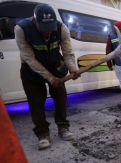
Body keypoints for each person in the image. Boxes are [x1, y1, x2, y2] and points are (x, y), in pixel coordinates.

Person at [15, 4, 80, 150]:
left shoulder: (61, 28)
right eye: (44, 29)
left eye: (50, 29)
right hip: (31, 70)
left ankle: (63, 127)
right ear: (34, 21)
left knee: (61, 97)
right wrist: (50, 78)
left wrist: (73, 69)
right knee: (36, 103)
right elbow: (29, 58)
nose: (48, 33)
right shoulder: (21, 29)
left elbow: (68, 53)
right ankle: (42, 134)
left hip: (54, 65)